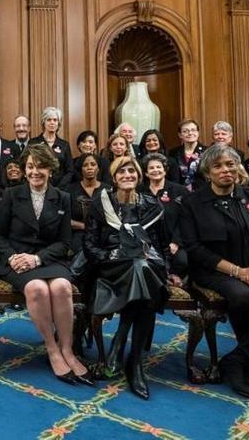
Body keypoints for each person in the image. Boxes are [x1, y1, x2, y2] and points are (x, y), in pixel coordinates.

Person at [180, 145, 249, 399]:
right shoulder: (193, 203)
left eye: (230, 164)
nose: (225, 170)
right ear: (207, 173)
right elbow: (194, 249)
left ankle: (239, 357)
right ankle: (246, 364)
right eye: (218, 166)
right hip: (216, 271)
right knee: (243, 297)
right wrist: (239, 272)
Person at [0, 144, 93, 386]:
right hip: (16, 260)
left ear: (50, 169)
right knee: (37, 288)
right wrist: (13, 257)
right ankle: (52, 349)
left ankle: (67, 349)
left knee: (61, 288)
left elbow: (65, 241)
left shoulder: (63, 198)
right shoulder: (12, 195)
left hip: (49, 259)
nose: (35, 171)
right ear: (25, 170)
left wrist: (37, 258)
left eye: (40, 166)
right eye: (30, 167)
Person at [84, 156, 168, 399]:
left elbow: (161, 243)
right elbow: (89, 243)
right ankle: (134, 361)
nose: (127, 175)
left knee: (142, 267)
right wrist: (107, 256)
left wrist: (169, 269)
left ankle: (122, 344)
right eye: (122, 172)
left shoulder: (152, 204)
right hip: (111, 265)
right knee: (142, 272)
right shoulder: (102, 203)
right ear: (114, 177)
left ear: (139, 176)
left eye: (132, 171)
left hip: (147, 264)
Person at [139, 153, 187, 284]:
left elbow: (187, 219)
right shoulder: (139, 191)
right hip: (148, 243)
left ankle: (174, 280)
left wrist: (176, 241)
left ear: (165, 170)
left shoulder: (180, 190)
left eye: (159, 167)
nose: (155, 170)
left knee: (182, 260)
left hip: (174, 241)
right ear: (146, 173)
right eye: (151, 168)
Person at [63, 153, 103, 254]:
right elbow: (65, 218)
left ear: (98, 168)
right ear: (80, 169)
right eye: (85, 165)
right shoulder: (70, 190)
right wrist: (84, 226)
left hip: (103, 234)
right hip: (78, 234)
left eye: (93, 164)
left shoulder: (107, 189)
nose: (89, 168)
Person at [29, 107, 73, 186]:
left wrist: (60, 187)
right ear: (43, 122)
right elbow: (28, 166)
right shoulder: (33, 142)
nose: (52, 123)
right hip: (38, 186)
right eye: (49, 120)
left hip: (60, 190)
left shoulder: (64, 145)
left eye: (55, 120)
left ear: (58, 123)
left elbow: (70, 171)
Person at [167, 119, 206, 191]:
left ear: (198, 133)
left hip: (202, 192)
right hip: (179, 193)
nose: (190, 133)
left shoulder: (207, 152)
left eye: (193, 130)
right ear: (180, 135)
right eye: (185, 131)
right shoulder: (173, 152)